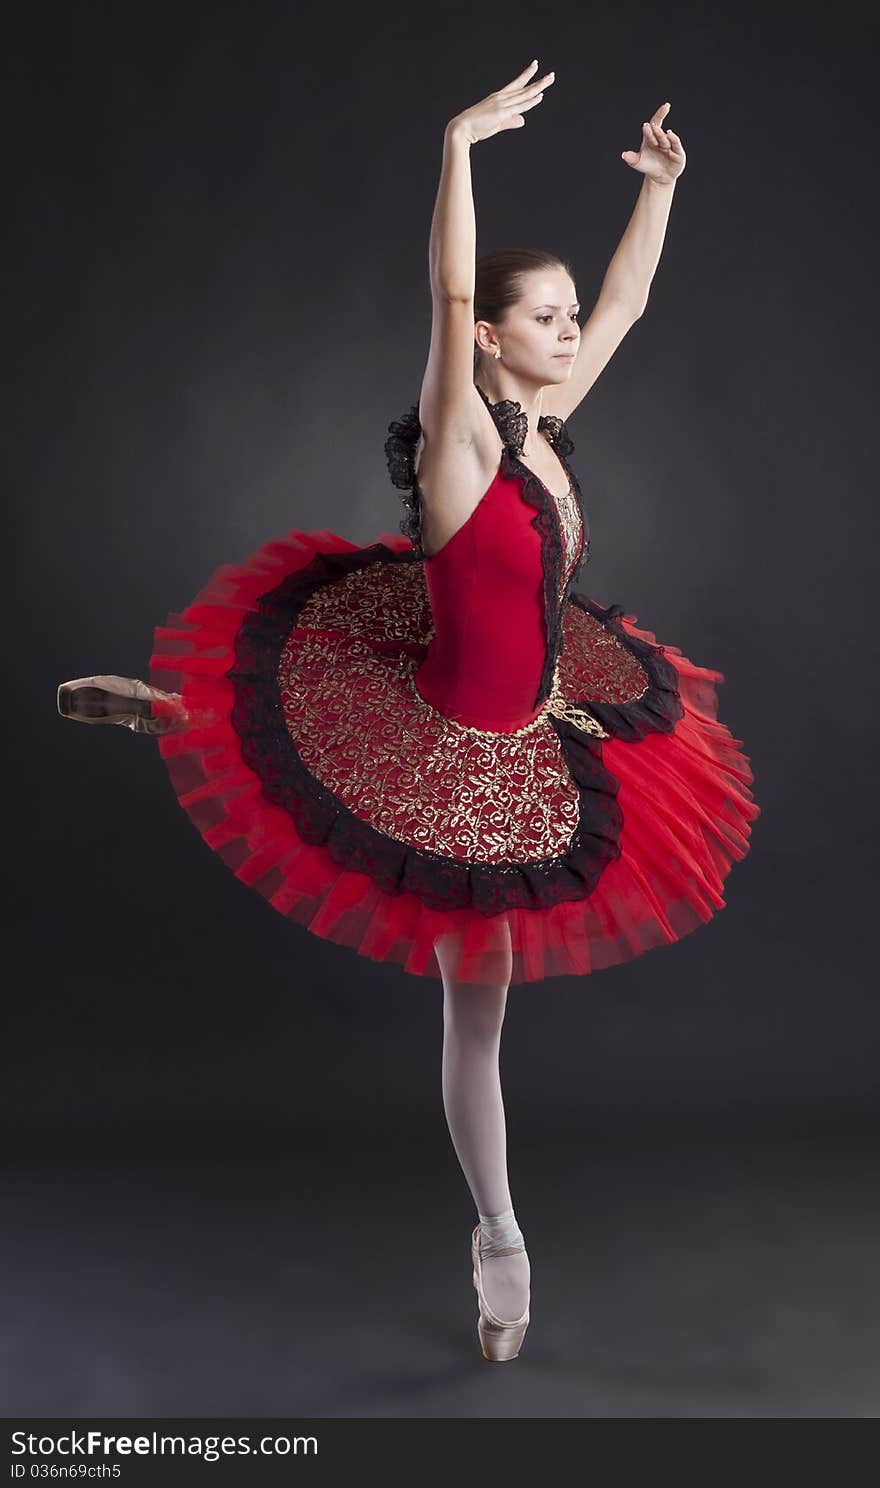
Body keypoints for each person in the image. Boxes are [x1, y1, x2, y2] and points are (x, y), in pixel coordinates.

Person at [56, 62, 759, 1362]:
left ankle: (174, 709)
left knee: (478, 997)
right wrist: (459, 150)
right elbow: (445, 290)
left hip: (531, 720)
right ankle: (501, 1240)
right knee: (473, 1006)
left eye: (560, 316)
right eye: (538, 316)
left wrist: (659, 191)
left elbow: (632, 301)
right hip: (445, 742)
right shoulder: (462, 441)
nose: (563, 330)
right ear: (489, 338)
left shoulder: (546, 424)